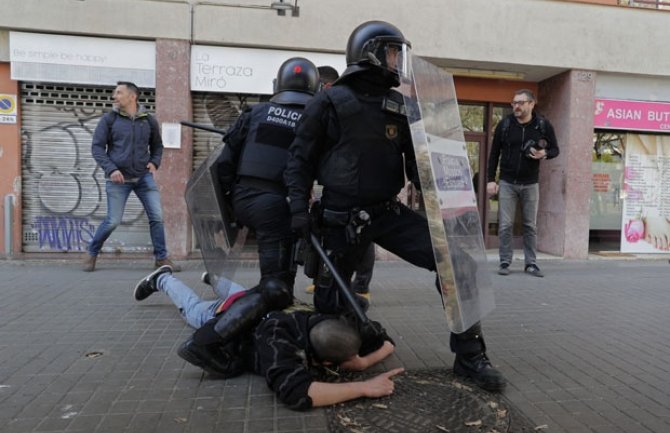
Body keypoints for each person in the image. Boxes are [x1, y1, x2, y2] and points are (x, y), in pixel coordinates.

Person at [283, 20, 505, 392]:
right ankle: (330, 360)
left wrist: (441, 199)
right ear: (370, 53)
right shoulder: (328, 101)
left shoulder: (398, 105)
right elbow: (298, 161)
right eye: (392, 52)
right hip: (340, 218)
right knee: (328, 308)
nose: (397, 60)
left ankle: (470, 356)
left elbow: (418, 163)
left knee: (458, 261)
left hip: (387, 212)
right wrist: (297, 210)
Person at [133, 265, 402, 410]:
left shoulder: (331, 320)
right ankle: (163, 279)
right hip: (226, 316)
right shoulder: (278, 339)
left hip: (255, 300)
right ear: (323, 360)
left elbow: (384, 339)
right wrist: (363, 386)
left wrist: (366, 361)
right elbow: (298, 394)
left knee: (243, 293)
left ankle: (213, 277)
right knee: (193, 310)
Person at [215, 57, 320, 292]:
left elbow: (225, 162)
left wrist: (231, 200)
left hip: (244, 199)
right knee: (275, 279)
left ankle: (279, 301)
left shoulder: (256, 112)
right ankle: (269, 309)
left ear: (278, 84)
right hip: (280, 203)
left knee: (282, 266)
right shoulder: (314, 120)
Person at [83, 81, 180, 272]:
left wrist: (154, 162)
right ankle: (92, 252)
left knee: (157, 217)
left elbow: (157, 146)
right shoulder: (109, 120)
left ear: (132, 96)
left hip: (143, 177)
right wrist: (111, 169)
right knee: (113, 221)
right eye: (115, 93)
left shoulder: (148, 120)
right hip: (118, 179)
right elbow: (97, 147)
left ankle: (161, 259)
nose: (114, 97)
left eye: (119, 93)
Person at [304, 65, 376, 301]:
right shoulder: (327, 109)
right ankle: (327, 281)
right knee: (332, 235)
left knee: (362, 237)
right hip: (337, 186)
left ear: (325, 86)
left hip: (359, 186)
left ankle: (361, 286)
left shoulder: (350, 106)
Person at [486, 89, 559, 278]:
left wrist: (545, 153)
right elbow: (494, 154)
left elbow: (555, 149)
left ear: (531, 104)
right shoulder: (505, 125)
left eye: (520, 102)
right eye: (513, 103)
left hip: (530, 183)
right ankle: (504, 261)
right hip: (507, 182)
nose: (516, 106)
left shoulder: (542, 125)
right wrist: (490, 180)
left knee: (530, 226)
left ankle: (531, 264)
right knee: (505, 225)